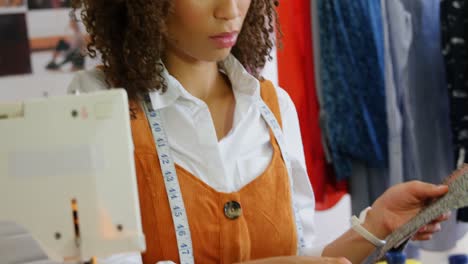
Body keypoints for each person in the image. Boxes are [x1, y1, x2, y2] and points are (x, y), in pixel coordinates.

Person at [67, 0, 451, 263]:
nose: (230, 10)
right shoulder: (99, 103)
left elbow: (304, 255)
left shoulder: (274, 107)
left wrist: (376, 225)